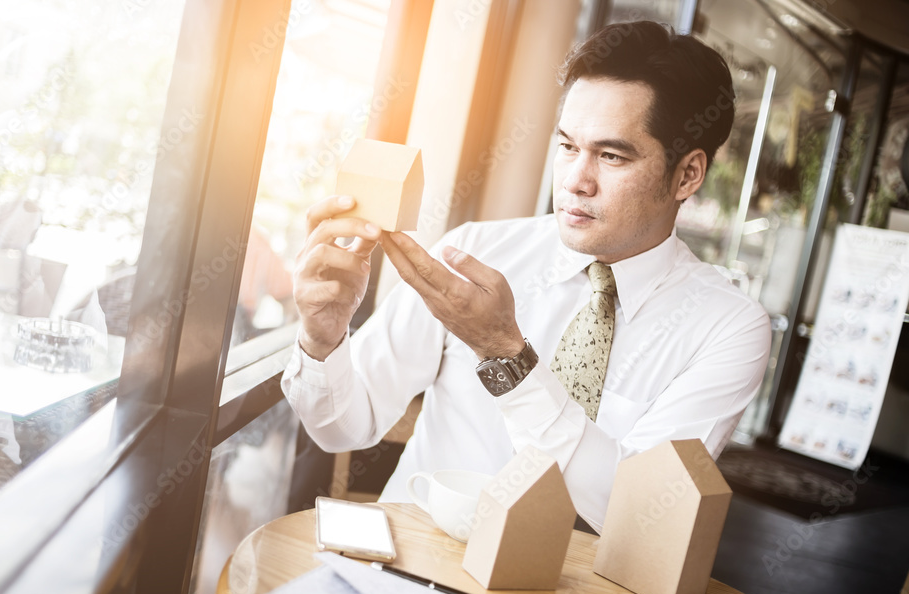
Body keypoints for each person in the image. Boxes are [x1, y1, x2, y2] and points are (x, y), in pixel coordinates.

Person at [281, 21, 771, 532]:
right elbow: (344, 427)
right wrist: (323, 337)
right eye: (566, 146)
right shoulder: (473, 252)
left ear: (687, 175)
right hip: (408, 572)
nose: (576, 181)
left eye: (611, 155)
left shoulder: (727, 327)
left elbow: (641, 515)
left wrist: (506, 356)